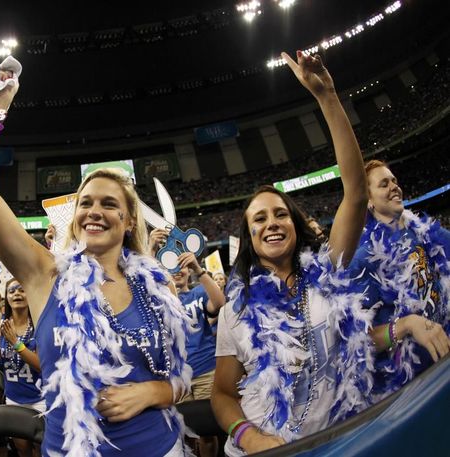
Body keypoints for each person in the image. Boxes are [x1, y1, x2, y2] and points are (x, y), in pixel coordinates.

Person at [0, 68, 192, 456]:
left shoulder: (157, 284)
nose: (94, 211)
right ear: (75, 215)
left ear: (129, 220)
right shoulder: (43, 273)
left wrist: (156, 391)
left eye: (109, 204)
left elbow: (185, 377)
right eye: (86, 202)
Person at [211, 51, 372, 456]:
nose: (271, 223)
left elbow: (356, 193)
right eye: (259, 220)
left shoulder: (328, 273)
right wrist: (252, 439)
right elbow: (222, 394)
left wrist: (328, 98)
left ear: (295, 226)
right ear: (250, 238)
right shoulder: (235, 310)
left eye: (280, 214)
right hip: (267, 449)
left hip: (336, 441)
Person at [350, 159, 450, 398]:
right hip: (412, 388)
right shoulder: (364, 259)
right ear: (369, 200)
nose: (394, 186)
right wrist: (405, 325)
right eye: (384, 184)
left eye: (394, 180)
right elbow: (358, 341)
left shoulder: (424, 231)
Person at [171, 252, 224, 457]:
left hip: (205, 370)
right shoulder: (160, 300)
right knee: (184, 434)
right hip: (178, 377)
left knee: (209, 432)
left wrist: (198, 269)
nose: (177, 271)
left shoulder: (199, 292)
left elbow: (219, 303)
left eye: (181, 267)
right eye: (172, 268)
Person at [0, 277, 43, 457]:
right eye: (12, 291)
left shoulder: (39, 325)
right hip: (13, 398)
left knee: (40, 449)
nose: (17, 294)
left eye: (22, 289)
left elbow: (42, 366)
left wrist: (16, 343)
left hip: (40, 399)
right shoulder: (2, 326)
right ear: (7, 298)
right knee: (22, 450)